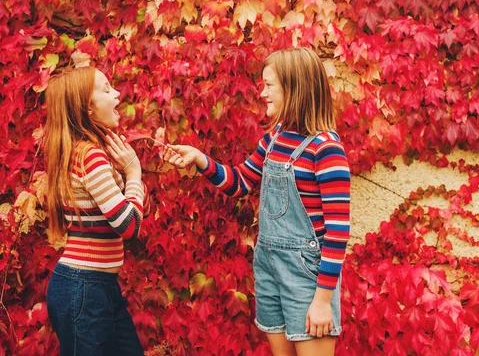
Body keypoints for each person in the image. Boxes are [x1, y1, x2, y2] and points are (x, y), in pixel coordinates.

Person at [164, 47, 351, 356]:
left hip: (307, 276)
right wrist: (199, 159)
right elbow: (239, 183)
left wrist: (321, 301)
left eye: (269, 85)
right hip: (269, 266)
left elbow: (338, 233)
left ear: (294, 88)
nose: (262, 93)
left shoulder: (326, 150)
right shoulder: (275, 137)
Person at [44, 65, 149, 355]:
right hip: (84, 290)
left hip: (98, 287)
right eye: (106, 89)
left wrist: (130, 177)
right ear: (87, 108)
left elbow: (128, 209)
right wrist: (134, 172)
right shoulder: (89, 155)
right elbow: (129, 225)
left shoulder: (83, 151)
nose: (117, 94)